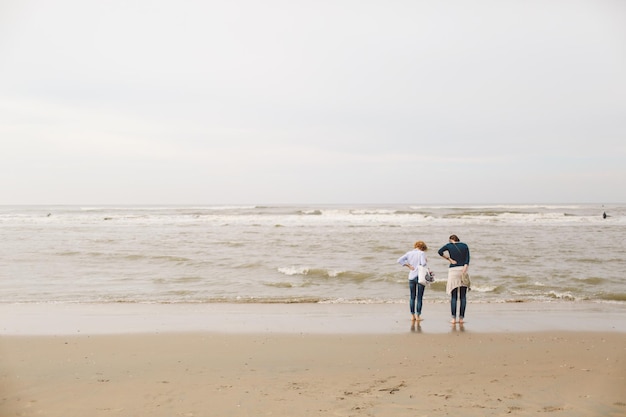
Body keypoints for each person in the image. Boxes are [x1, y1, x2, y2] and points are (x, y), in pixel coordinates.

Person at [438, 234, 470, 324]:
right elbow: (468, 258)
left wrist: (449, 259)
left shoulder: (449, 245)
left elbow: (440, 252)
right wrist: (465, 267)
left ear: (451, 240)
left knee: (454, 296)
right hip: (463, 270)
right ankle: (461, 318)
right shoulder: (464, 245)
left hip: (453, 270)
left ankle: (453, 319)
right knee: (463, 296)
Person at [397, 241, 429, 322]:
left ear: (416, 246)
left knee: (412, 297)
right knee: (419, 297)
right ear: (423, 247)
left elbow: (399, 260)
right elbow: (423, 263)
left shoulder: (409, 253)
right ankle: (418, 316)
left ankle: (412, 316)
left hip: (411, 277)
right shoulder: (421, 253)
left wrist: (408, 265)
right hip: (420, 277)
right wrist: (426, 260)